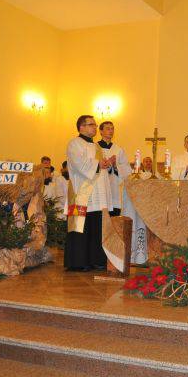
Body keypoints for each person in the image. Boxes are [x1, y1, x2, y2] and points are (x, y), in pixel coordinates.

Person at [64, 115, 114, 271]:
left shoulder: (97, 147)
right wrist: (99, 164)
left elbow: (101, 168)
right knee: (79, 228)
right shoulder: (74, 143)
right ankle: (78, 262)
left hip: (97, 196)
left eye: (95, 124)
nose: (95, 127)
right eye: (91, 124)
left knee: (95, 227)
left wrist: (107, 164)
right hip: (80, 194)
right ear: (81, 127)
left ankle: (95, 260)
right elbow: (78, 163)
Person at [97, 121, 132, 216]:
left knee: (113, 218)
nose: (111, 131)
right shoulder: (95, 148)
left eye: (112, 129)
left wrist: (115, 166)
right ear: (101, 131)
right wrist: (107, 164)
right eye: (108, 128)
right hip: (100, 189)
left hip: (114, 190)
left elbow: (127, 170)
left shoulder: (118, 150)